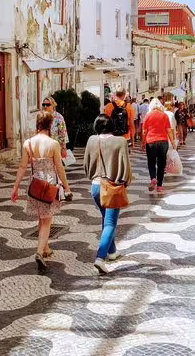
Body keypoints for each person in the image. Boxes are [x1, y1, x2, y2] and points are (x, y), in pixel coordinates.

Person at [11, 112, 72, 272]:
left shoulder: (28, 143)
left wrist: (15, 187)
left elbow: (23, 167)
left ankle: (46, 248)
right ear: (50, 125)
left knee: (42, 218)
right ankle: (39, 252)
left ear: (37, 124)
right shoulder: (53, 144)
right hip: (49, 186)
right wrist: (67, 187)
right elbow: (59, 168)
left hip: (35, 185)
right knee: (47, 220)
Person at [83, 114, 132, 274]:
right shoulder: (120, 141)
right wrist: (125, 181)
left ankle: (112, 252)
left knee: (106, 218)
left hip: (95, 186)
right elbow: (126, 165)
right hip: (111, 186)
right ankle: (100, 258)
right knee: (111, 223)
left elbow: (86, 164)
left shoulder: (91, 140)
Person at [141, 98, 176, 193]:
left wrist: (143, 143)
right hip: (163, 142)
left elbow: (144, 131)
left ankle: (153, 178)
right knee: (161, 164)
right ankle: (159, 186)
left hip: (151, 142)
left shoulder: (148, 116)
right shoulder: (164, 115)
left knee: (151, 162)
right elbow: (169, 130)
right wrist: (173, 142)